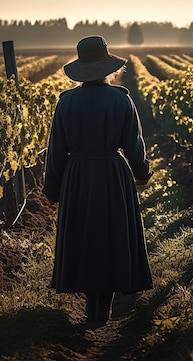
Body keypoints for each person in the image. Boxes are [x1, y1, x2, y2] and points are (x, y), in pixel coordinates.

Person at [42, 35, 154, 323]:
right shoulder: (121, 100)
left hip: (76, 177)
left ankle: (92, 306)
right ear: (108, 68)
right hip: (112, 175)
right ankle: (104, 306)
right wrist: (142, 173)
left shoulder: (65, 102)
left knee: (85, 239)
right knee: (110, 237)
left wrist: (52, 188)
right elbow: (134, 144)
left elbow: (55, 151)